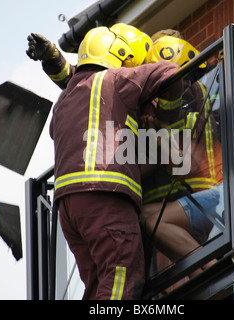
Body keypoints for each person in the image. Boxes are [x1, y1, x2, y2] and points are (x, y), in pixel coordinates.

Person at [33, 26, 182, 300]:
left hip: (68, 208)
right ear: (127, 59)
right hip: (105, 199)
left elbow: (75, 78)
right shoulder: (120, 80)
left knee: (98, 286)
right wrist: (169, 119)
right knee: (123, 277)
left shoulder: (67, 97)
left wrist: (57, 64)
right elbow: (171, 73)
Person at [140, 34, 223, 277]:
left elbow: (186, 163)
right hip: (201, 198)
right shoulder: (184, 106)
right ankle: (204, 274)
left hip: (217, 195)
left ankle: (209, 274)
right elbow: (148, 164)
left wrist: (155, 129)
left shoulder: (188, 107)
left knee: (154, 223)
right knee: (143, 216)